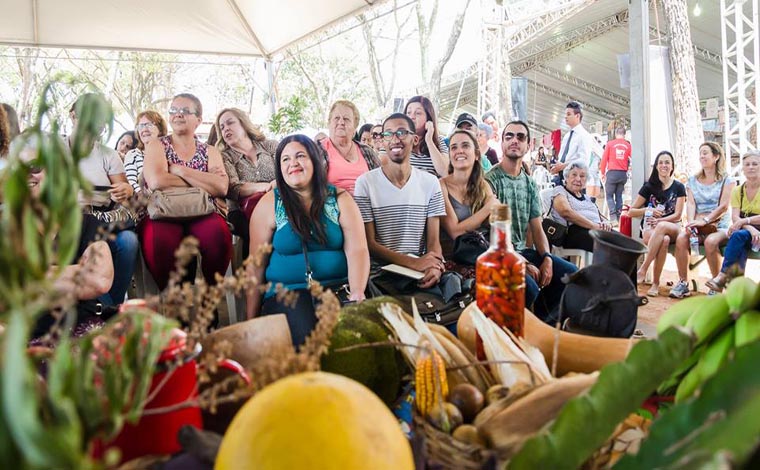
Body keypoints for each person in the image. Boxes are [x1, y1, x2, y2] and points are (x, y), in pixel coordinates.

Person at [247, 134, 369, 346]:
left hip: (338, 289)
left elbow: (357, 250)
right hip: (288, 294)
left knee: (355, 341)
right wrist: (251, 320)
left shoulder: (340, 199)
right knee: (309, 339)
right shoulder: (270, 203)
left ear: (315, 160)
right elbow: (255, 266)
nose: (292, 163)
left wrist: (357, 292)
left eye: (300, 156)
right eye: (285, 159)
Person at [19, 135, 115, 339]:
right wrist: (77, 272)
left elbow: (98, 279)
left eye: (35, 166)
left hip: (82, 329)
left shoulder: (85, 223)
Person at [485, 120, 578, 323]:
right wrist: (523, 262)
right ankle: (520, 332)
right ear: (501, 143)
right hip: (499, 253)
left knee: (573, 276)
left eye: (520, 137)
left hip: (523, 251)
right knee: (530, 285)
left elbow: (537, 228)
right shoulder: (490, 180)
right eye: (509, 136)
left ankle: (543, 325)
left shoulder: (529, 183)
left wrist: (547, 257)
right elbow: (494, 232)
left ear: (528, 145)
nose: (514, 141)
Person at [141, 93, 232, 291]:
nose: (178, 115)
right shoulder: (157, 145)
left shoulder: (210, 151)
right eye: (173, 110)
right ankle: (175, 302)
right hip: (163, 211)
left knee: (218, 237)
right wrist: (203, 180)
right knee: (159, 243)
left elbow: (222, 187)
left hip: (203, 210)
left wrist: (180, 170)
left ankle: (210, 298)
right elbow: (157, 181)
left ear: (198, 120)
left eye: (185, 111)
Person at [354, 113, 447, 290]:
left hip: (418, 276)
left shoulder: (430, 183)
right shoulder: (365, 183)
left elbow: (433, 242)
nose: (395, 139)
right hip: (380, 277)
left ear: (415, 139)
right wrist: (414, 262)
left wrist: (434, 267)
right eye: (388, 134)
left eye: (402, 132)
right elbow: (370, 243)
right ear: (382, 141)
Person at [69, 94, 137, 308]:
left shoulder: (108, 155)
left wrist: (126, 190)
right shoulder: (54, 149)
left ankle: (107, 306)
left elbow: (124, 194)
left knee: (128, 241)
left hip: (99, 219)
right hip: (62, 220)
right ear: (73, 116)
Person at [669, 142, 734, 298]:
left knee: (711, 241)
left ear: (716, 156)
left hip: (720, 226)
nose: (702, 156)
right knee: (682, 237)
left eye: (705, 153)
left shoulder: (727, 180)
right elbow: (690, 203)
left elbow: (724, 206)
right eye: (700, 153)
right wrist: (691, 223)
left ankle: (716, 285)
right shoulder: (692, 180)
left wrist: (705, 221)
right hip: (698, 224)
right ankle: (683, 283)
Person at [215, 107, 278, 243]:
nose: (225, 128)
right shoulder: (224, 156)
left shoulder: (270, 146)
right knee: (257, 231)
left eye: (230, 123)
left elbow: (285, 172)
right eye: (222, 127)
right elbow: (233, 188)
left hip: (279, 202)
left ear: (243, 124)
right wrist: (266, 186)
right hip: (242, 210)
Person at [630, 151, 686, 297]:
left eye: (667, 162)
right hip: (651, 229)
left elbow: (678, 215)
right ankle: (655, 284)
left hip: (673, 226)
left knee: (662, 229)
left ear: (672, 166)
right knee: (664, 240)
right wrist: (648, 209)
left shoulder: (679, 187)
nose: (664, 165)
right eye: (660, 162)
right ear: (656, 166)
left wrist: (660, 220)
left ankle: (643, 268)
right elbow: (631, 212)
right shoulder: (649, 187)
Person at [705, 151, 760, 292]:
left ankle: (723, 276)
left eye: (755, 164)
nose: (751, 167)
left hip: (752, 230)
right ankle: (736, 290)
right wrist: (750, 227)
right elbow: (735, 217)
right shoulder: (738, 190)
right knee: (738, 239)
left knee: (738, 237)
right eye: (747, 164)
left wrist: (744, 221)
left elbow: (739, 220)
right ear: (743, 168)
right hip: (747, 231)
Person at [439, 129, 498, 258]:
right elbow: (455, 232)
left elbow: (497, 228)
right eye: (454, 147)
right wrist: (488, 207)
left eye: (465, 146)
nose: (459, 150)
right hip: (454, 260)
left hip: (484, 254)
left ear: (477, 155)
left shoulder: (483, 185)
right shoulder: (440, 185)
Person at [548, 161, 612, 252]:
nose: (578, 179)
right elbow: (565, 212)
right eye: (574, 175)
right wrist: (593, 226)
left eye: (582, 176)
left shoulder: (587, 198)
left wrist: (606, 223)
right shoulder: (560, 191)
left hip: (597, 230)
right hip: (574, 232)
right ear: (566, 178)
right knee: (613, 248)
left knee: (626, 244)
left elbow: (600, 216)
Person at [320, 100, 380, 195]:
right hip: (332, 205)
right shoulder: (317, 150)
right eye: (336, 118)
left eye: (346, 119)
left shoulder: (367, 151)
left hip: (366, 205)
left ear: (355, 127)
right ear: (329, 123)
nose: (341, 122)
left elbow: (380, 182)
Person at [124, 110, 168, 193]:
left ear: (160, 130)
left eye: (149, 125)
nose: (144, 129)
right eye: (140, 126)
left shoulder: (169, 153)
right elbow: (131, 182)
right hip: (144, 201)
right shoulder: (134, 154)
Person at [405, 96, 449, 177]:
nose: (412, 117)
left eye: (418, 113)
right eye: (408, 112)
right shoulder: (398, 141)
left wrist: (429, 140)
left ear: (428, 118)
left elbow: (445, 172)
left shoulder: (439, 141)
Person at [551, 102, 591, 187]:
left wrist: (564, 166)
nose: (566, 117)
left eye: (569, 114)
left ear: (577, 116)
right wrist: (557, 167)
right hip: (562, 177)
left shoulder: (584, 135)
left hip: (575, 180)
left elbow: (584, 161)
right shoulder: (567, 136)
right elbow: (562, 156)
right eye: (565, 114)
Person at [601, 127, 631, 223]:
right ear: (624, 134)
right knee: (619, 196)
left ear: (615, 134)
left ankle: (613, 218)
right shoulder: (628, 145)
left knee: (609, 195)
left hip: (612, 173)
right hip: (623, 174)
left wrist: (602, 172)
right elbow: (633, 157)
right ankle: (619, 217)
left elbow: (604, 159)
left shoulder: (610, 144)